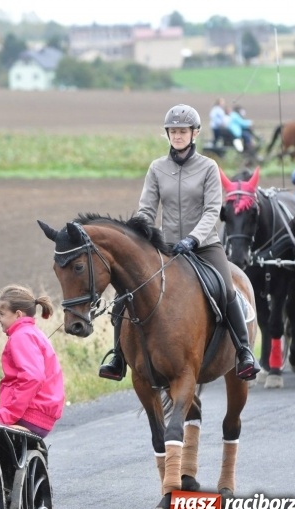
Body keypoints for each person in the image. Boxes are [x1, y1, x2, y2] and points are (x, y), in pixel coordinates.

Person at [98, 104, 260, 382]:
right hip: (167, 246)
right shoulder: (157, 168)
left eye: (183, 131)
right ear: (168, 134)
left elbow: (212, 211)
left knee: (226, 290)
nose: (178, 136)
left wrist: (194, 238)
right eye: (173, 131)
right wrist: (139, 235)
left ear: (194, 133)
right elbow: (147, 210)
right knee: (125, 294)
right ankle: (118, 356)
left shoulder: (208, 167)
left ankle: (244, 351)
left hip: (205, 245)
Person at [0, 284, 65, 437]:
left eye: (1, 314)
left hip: (29, 416)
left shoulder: (21, 336)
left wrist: (4, 416)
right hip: (39, 415)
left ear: (18, 314)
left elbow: (33, 378)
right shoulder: (33, 333)